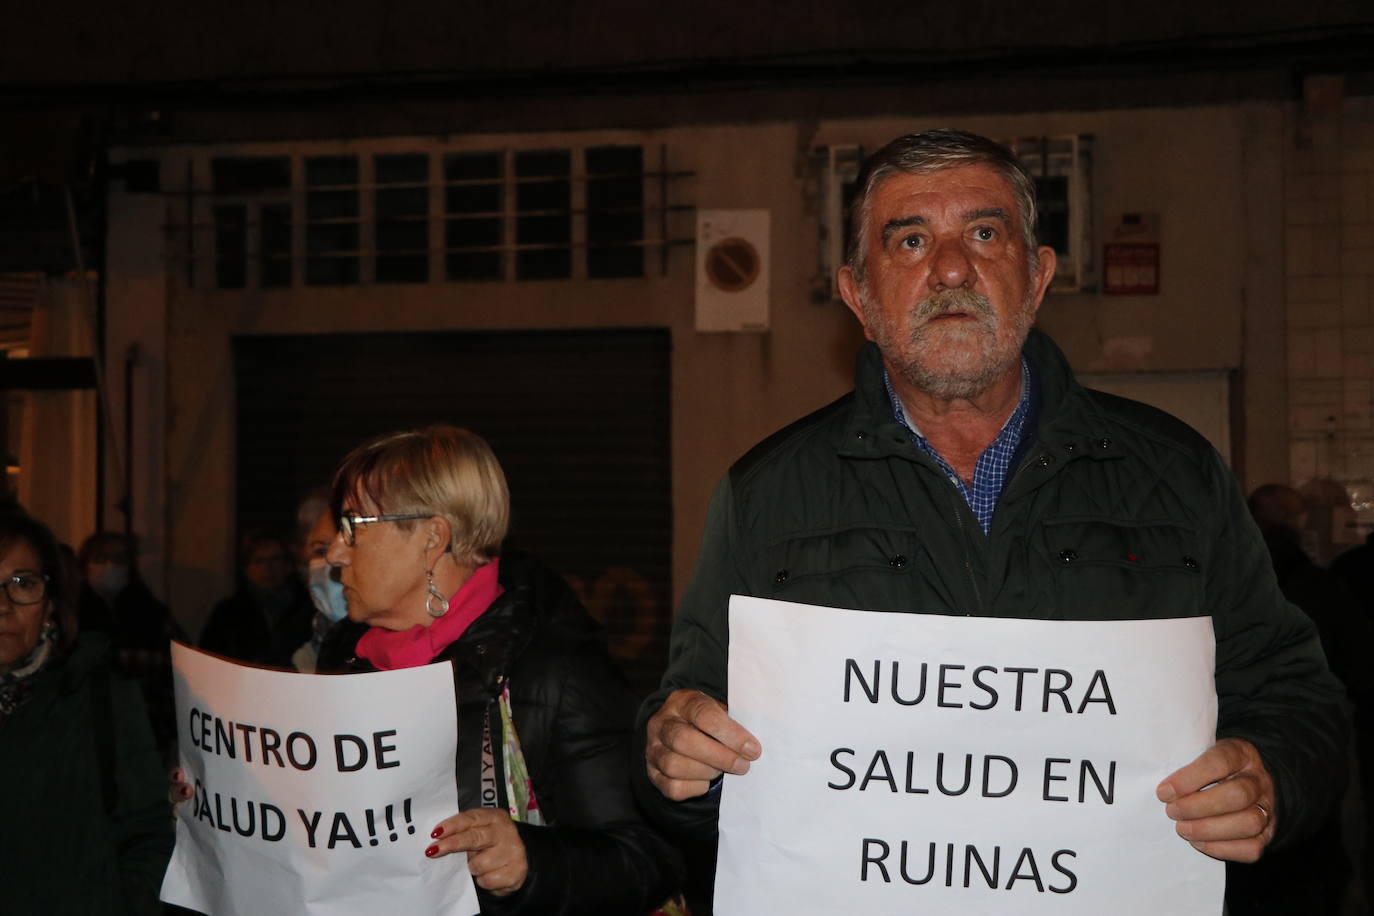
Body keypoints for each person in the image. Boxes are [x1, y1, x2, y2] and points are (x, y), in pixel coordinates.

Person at [633, 129, 1348, 913]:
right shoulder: (766, 494)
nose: (949, 268)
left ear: (1037, 279)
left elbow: (1295, 699)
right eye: (909, 240)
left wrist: (1271, 776)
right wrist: (675, 764)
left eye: (983, 232)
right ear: (858, 297)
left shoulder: (1176, 475)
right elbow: (691, 741)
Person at [312, 426, 681, 914]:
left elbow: (647, 858)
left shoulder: (554, 667)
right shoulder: (344, 657)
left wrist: (530, 861)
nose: (336, 553)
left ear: (431, 537)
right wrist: (229, 799)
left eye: (354, 526)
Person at [0, 512, 173, 914]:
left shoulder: (102, 698)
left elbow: (149, 836)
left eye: (23, 583)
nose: (4, 605)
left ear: (49, 604)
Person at [76, 530, 183, 759]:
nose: (110, 566)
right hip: (84, 738)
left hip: (147, 734)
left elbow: (178, 671)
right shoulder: (71, 617)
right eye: (100, 558)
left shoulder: (152, 614)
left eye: (119, 559)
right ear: (85, 565)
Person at [199, 529, 315, 668]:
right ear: (246, 568)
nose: (268, 567)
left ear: (288, 565)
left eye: (275, 559)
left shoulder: (310, 608)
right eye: (260, 560)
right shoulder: (228, 612)